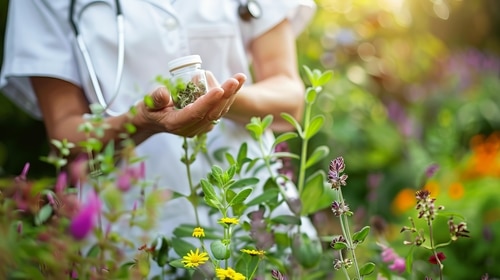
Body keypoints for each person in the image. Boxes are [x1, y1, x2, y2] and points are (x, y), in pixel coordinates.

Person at [0, 0, 317, 277]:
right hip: (130, 226)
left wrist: (223, 96)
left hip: (254, 203)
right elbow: (64, 134)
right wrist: (141, 122)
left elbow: (289, 96)